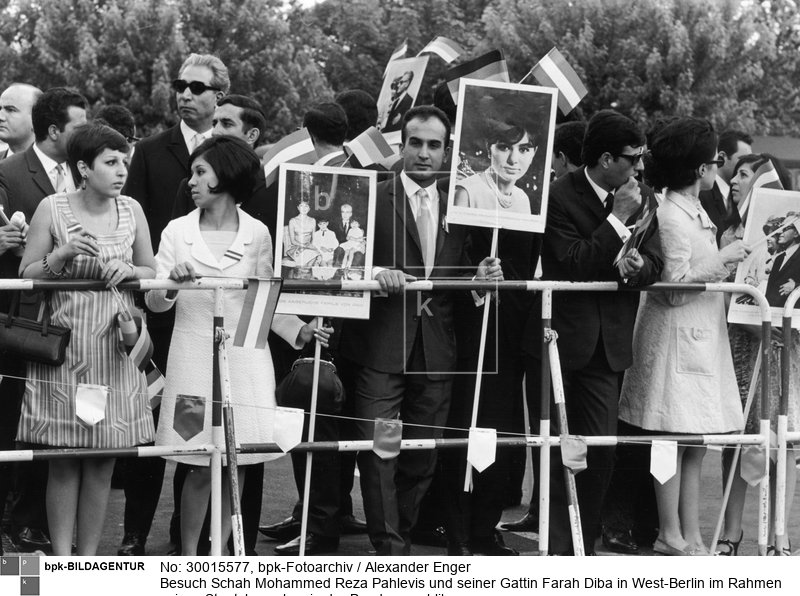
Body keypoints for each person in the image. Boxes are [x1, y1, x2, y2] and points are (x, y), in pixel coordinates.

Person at [145, 136, 328, 555]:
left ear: (225, 175)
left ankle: (223, 552)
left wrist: (298, 331)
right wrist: (172, 282)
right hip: (191, 359)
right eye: (191, 172)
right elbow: (155, 301)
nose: (190, 180)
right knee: (195, 461)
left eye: (200, 171)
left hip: (246, 361)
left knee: (238, 458)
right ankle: (190, 555)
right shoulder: (177, 230)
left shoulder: (259, 233)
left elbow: (261, 303)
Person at [338, 105, 503, 556]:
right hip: (380, 345)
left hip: (437, 349)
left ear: (446, 150)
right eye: (416, 143)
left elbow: (466, 277)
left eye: (434, 145)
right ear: (401, 145)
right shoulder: (373, 197)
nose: (424, 153)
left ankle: (403, 531)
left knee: (423, 453)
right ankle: (390, 549)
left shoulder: (464, 204)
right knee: (379, 451)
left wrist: (481, 278)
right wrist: (376, 272)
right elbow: (342, 260)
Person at [515, 109, 662, 555]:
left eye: (642, 157)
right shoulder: (558, 194)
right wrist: (617, 220)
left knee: (600, 450)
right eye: (632, 157)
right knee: (560, 449)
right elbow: (573, 262)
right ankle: (559, 547)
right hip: (559, 341)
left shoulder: (645, 195)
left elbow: (657, 262)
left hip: (610, 345)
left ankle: (584, 543)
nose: (639, 167)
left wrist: (640, 268)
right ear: (603, 159)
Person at [17, 123, 156, 555]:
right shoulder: (52, 208)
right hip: (67, 349)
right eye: (110, 162)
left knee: (103, 460)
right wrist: (60, 255)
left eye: (124, 163)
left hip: (116, 350)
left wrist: (132, 271)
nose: (121, 172)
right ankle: (61, 562)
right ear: (83, 166)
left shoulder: (132, 209)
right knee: (62, 461)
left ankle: (88, 561)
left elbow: (152, 270)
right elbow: (25, 275)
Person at [618, 117, 749, 556]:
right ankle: (668, 532)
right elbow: (672, 289)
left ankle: (690, 533)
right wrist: (725, 260)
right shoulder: (671, 214)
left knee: (693, 443)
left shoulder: (694, 209)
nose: (718, 168)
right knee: (668, 440)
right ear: (699, 169)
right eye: (714, 160)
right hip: (674, 339)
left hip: (699, 338)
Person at [122, 52, 229, 556]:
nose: (184, 93)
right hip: (158, 311)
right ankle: (134, 534)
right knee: (150, 423)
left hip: (210, 321)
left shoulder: (232, 152)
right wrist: (142, 299)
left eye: (196, 86)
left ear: (218, 96)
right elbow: (131, 226)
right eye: (179, 85)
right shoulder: (148, 149)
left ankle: (187, 545)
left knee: (200, 429)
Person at [0, 86, 88, 554]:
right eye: (77, 126)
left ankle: (35, 521)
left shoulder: (89, 175)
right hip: (18, 319)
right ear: (55, 131)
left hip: (78, 318)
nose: (86, 134)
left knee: (56, 422)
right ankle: (8, 519)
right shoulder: (8, 173)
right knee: (12, 417)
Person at [453, 103, 537, 215]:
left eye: (523, 150)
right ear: (489, 149)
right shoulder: (467, 193)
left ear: (533, 153)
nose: (513, 160)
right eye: (505, 148)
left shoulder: (522, 199)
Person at [699, 129, 753, 244]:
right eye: (743, 159)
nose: (746, 165)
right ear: (722, 157)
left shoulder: (742, 196)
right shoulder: (701, 193)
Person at [0, 83, 41, 159]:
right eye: (0, 109)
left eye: (10, 110)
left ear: (36, 118)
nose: (1, 117)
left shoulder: (58, 165)